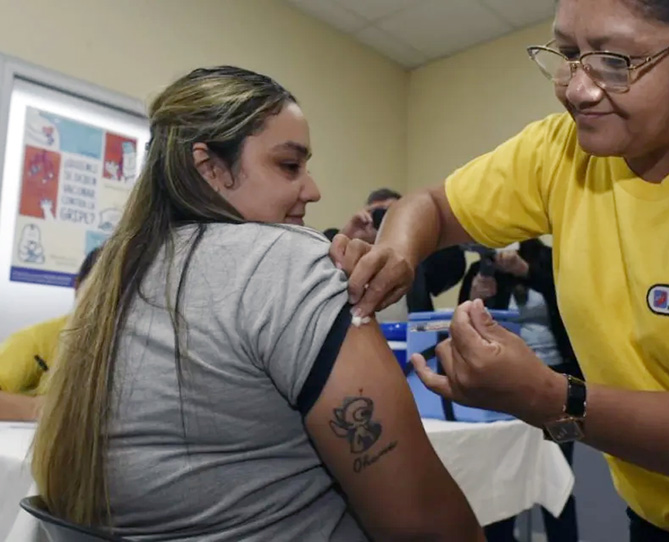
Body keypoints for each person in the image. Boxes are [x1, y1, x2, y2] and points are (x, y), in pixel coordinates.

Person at [330, 1, 669, 540]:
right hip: (653, 512)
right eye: (570, 54)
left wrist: (553, 399)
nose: (577, 89)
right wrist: (395, 252)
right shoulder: (559, 152)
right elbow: (431, 207)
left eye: (616, 60)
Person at [31, 66, 484, 542]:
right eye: (289, 165)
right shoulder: (294, 265)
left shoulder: (110, 283)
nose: (313, 190)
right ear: (210, 168)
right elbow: (427, 525)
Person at [461, 240, 580, 542]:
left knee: (559, 473)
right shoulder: (482, 268)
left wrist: (528, 272)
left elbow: (574, 304)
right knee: (503, 472)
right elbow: (464, 325)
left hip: (561, 383)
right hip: (504, 386)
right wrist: (476, 297)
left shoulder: (552, 259)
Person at [0, 247, 101, 421]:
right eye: (102, 289)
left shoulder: (146, 349)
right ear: (77, 286)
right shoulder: (36, 340)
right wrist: (39, 409)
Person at [341, 188, 466, 320]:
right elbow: (323, 273)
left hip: (411, 335)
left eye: (392, 214)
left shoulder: (415, 260)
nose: (384, 220)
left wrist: (410, 234)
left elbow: (454, 265)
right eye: (377, 213)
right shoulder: (345, 241)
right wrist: (348, 235)